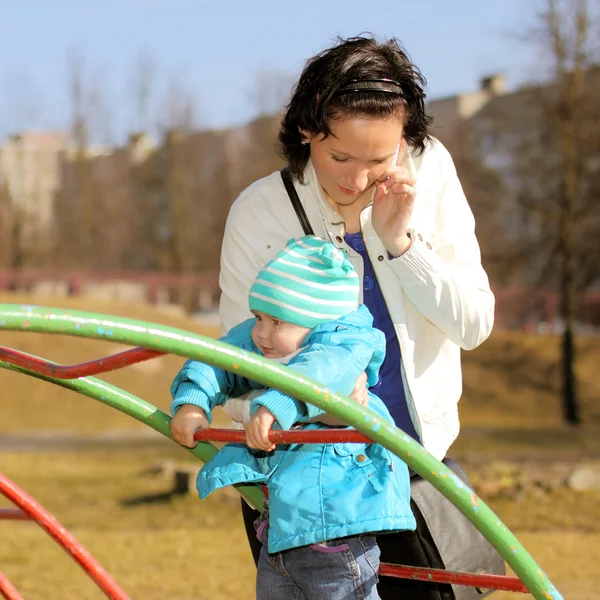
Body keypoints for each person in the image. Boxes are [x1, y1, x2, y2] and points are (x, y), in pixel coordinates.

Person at [217, 35, 495, 598]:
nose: (356, 179)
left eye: (378, 159)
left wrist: (402, 245)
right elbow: (238, 363)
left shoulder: (431, 171)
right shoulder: (260, 213)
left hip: (418, 465)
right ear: (305, 130)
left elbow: (474, 324)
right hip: (309, 489)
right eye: (338, 156)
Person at [170, 236, 416, 600]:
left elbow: (318, 375)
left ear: (316, 323)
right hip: (282, 537)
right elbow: (216, 358)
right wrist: (192, 403)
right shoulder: (273, 340)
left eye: (276, 322)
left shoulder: (345, 344)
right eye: (258, 318)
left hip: (337, 537)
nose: (260, 332)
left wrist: (274, 406)